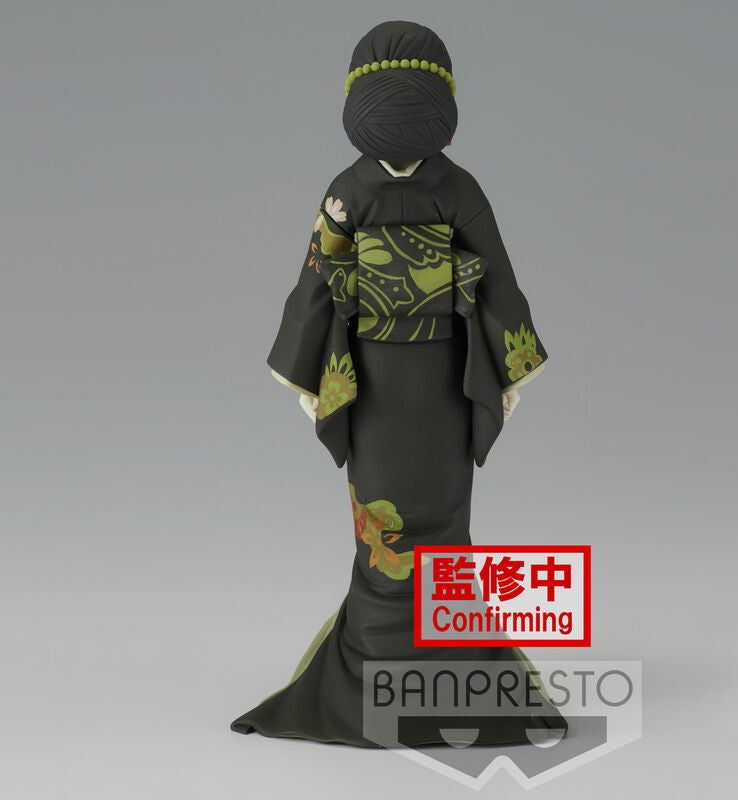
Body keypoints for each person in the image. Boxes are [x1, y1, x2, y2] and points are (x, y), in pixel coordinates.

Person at [230, 20, 564, 748]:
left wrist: (507, 371)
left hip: (441, 382)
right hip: (378, 383)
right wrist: (311, 377)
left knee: (442, 522)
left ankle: (437, 673)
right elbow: (319, 279)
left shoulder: (432, 190)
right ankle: (388, 671)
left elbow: (495, 279)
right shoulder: (365, 190)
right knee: (383, 524)